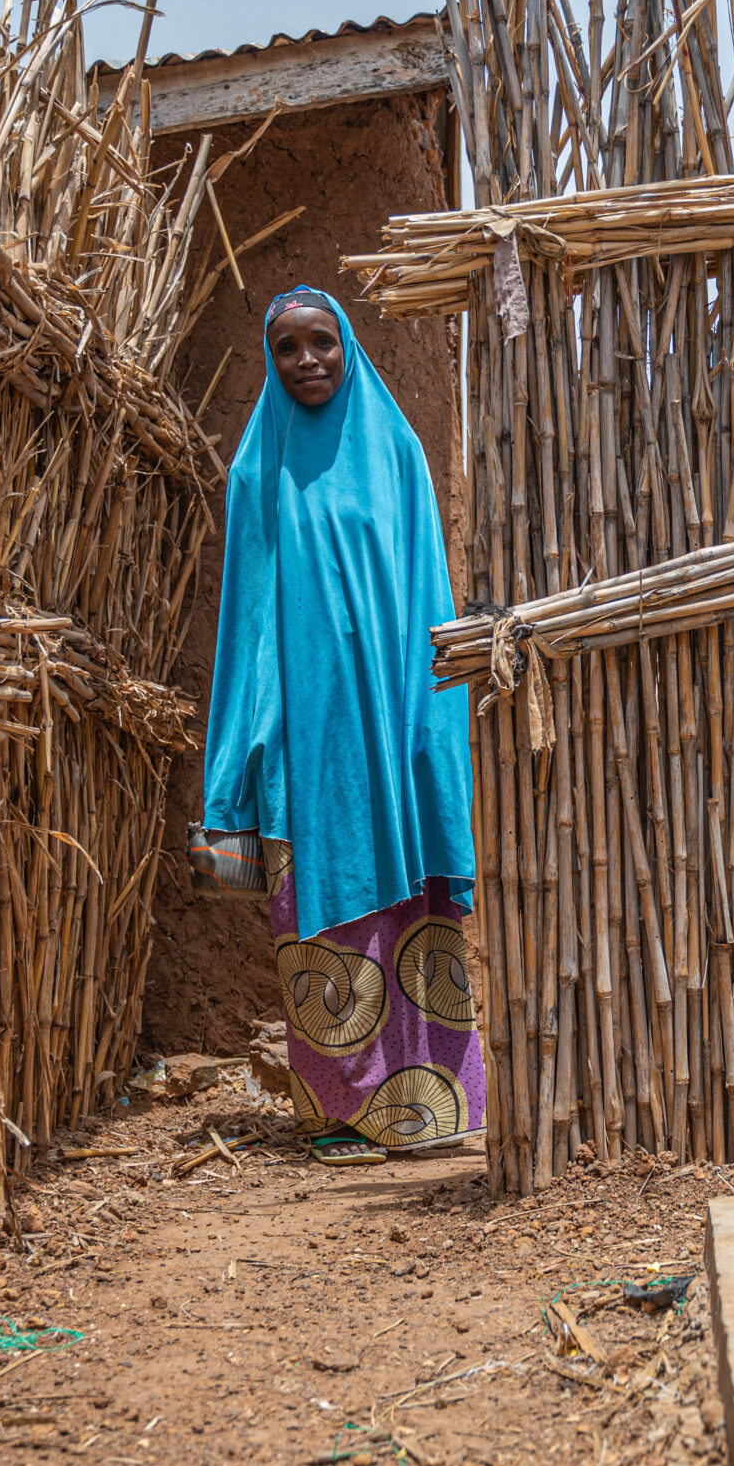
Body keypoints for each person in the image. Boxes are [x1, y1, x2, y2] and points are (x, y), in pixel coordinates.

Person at [199, 286, 480, 1167]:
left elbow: (424, 592)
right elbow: (247, 617)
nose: (309, 361)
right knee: (319, 926)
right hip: (305, 744)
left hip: (390, 729)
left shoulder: (395, 452)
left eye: (323, 342)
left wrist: (429, 725)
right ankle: (342, 1111)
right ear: (271, 361)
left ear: (349, 347)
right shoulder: (260, 469)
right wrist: (237, 762)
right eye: (289, 348)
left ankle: (429, 1108)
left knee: (410, 914)